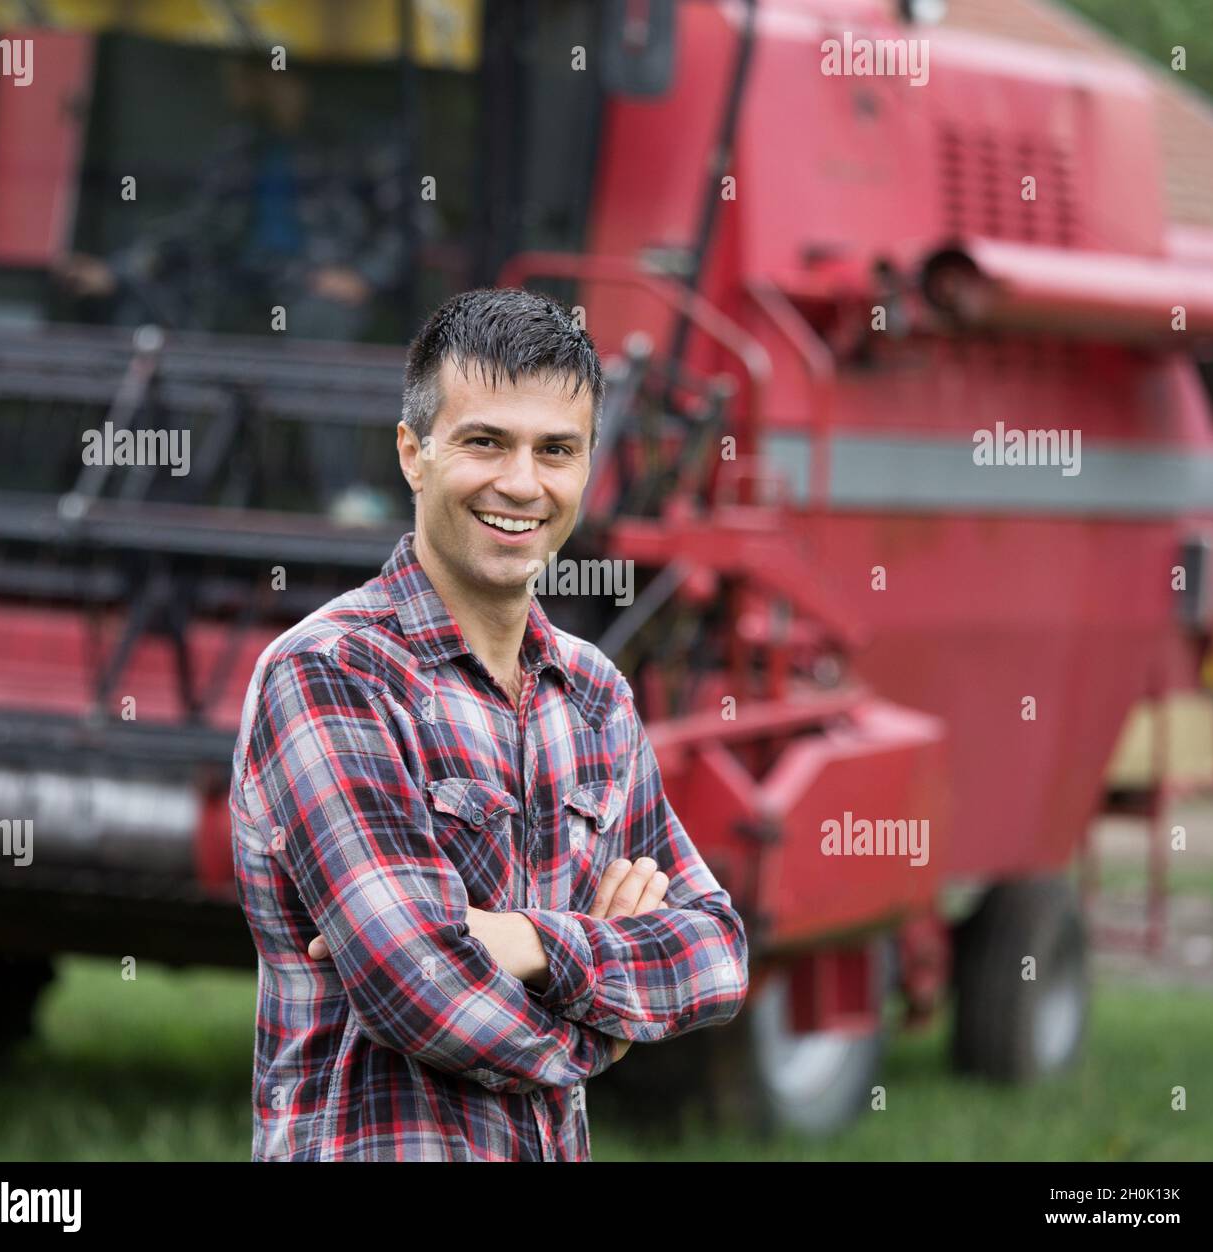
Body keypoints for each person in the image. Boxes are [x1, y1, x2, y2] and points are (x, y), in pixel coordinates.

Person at [228, 287, 750, 1161]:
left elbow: (719, 951)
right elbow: (414, 987)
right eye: (485, 442)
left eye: (557, 450)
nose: (522, 483)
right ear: (413, 454)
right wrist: (602, 1030)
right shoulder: (329, 674)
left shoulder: (595, 697)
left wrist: (526, 942)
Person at [54, 61, 409, 519]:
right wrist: (118, 272)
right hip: (243, 289)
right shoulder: (242, 147)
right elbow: (193, 227)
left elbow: (410, 227)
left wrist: (363, 276)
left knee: (317, 330)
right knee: (162, 321)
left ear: (284, 79)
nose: (234, 87)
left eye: (247, 74)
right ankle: (172, 492)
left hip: (319, 293)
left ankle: (341, 494)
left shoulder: (360, 146)